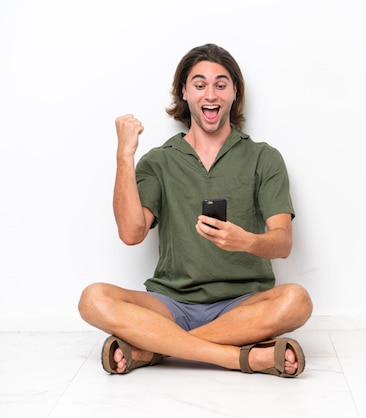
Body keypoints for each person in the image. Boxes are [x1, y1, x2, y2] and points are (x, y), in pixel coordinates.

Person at [78, 43, 313, 378]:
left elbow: (282, 243)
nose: (210, 94)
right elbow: (131, 233)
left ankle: (151, 349)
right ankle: (239, 358)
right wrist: (124, 156)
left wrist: (244, 241)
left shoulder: (264, 158)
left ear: (234, 92)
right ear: (184, 93)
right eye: (200, 84)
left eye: (220, 84)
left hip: (242, 304)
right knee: (93, 299)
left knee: (297, 300)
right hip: (170, 304)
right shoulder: (159, 161)